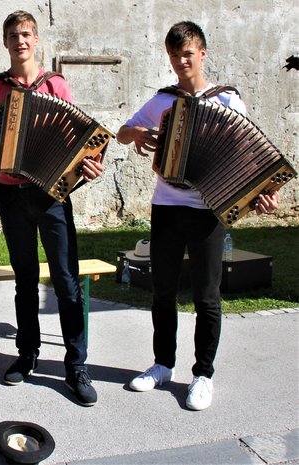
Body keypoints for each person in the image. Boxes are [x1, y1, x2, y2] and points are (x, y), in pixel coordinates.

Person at [116, 21, 280, 410]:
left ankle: (203, 374)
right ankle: (162, 365)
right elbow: (122, 131)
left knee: (207, 296)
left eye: (187, 54)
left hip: (208, 210)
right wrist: (137, 135)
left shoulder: (228, 102)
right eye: (174, 56)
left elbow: (248, 155)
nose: (181, 62)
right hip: (168, 206)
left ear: (202, 53)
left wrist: (261, 194)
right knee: (163, 291)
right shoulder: (162, 101)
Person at [0, 11, 104, 406]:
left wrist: (87, 166)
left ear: (36, 39)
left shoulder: (55, 84)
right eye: (13, 35)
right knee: (24, 279)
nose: (20, 41)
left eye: (25, 34)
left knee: (66, 279)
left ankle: (76, 365)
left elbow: (80, 137)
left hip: (51, 194)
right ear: (5, 43)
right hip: (10, 193)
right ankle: (27, 354)